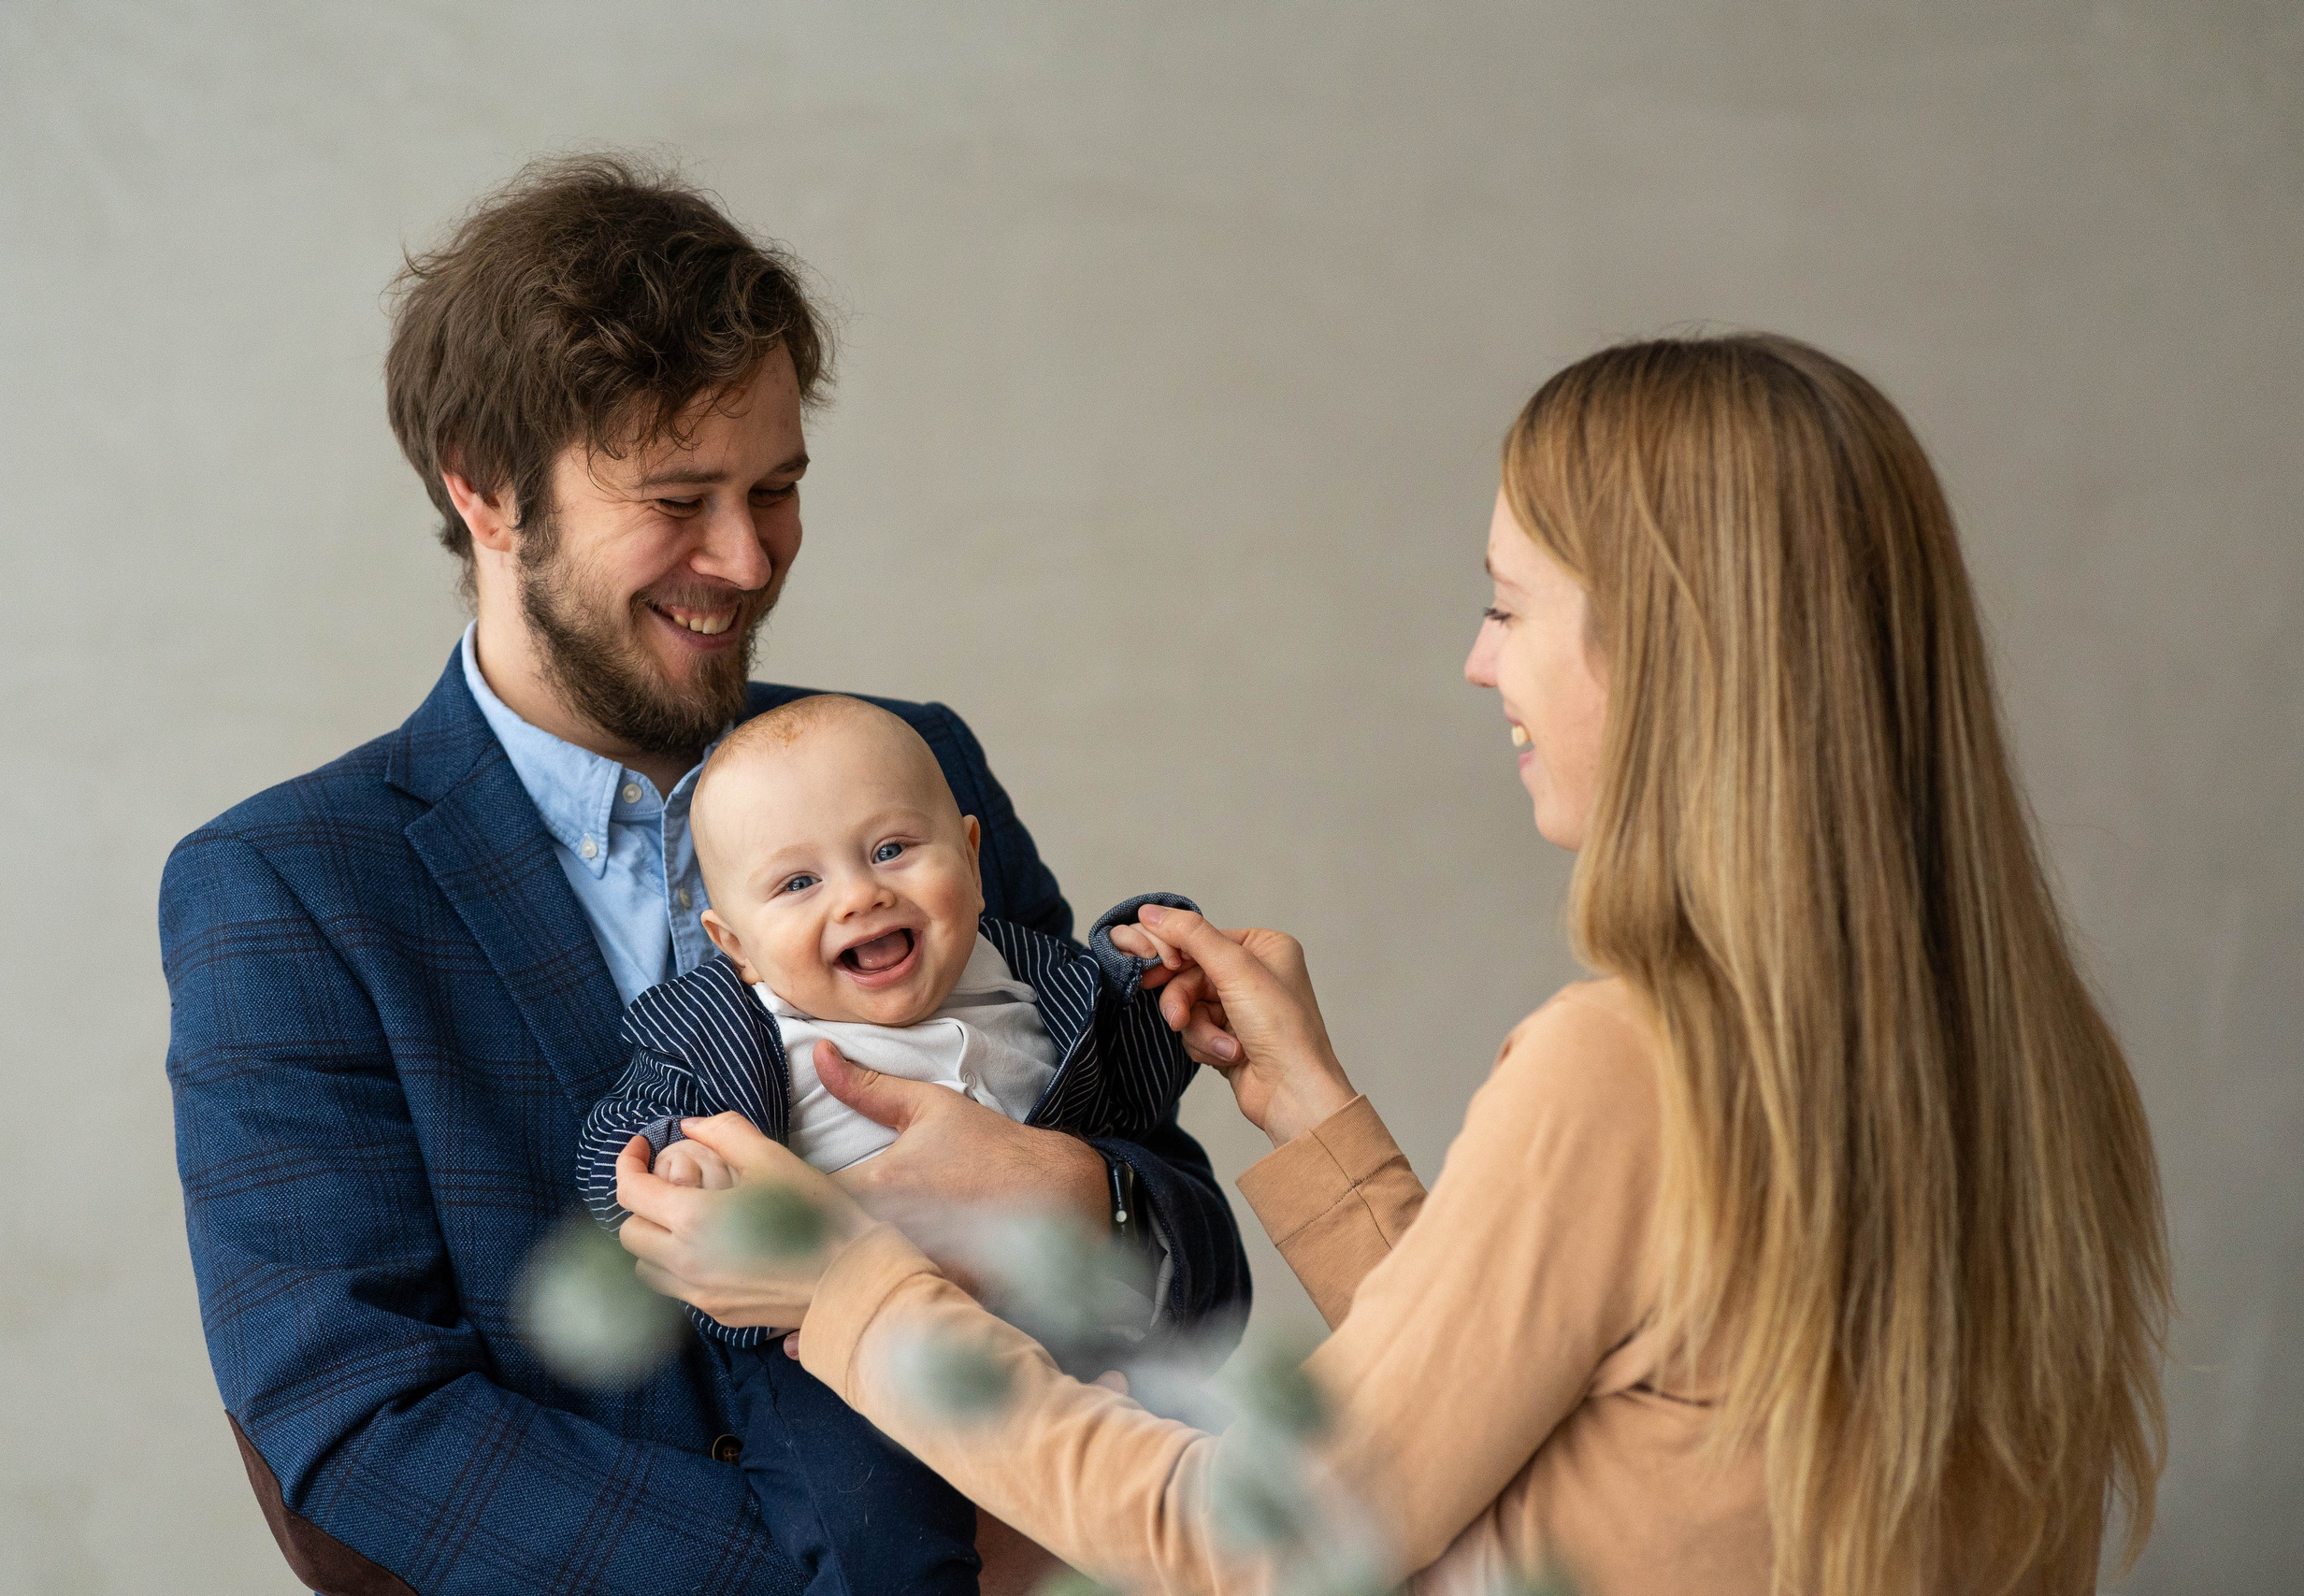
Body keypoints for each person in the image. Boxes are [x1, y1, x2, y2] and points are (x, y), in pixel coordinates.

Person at [613, 334, 2172, 1595]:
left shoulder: (1626, 1065)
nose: (1478, 659)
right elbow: (1585, 1436)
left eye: (1507, 605)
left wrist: (848, 1291)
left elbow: (1268, 1537)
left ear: (1665, 644)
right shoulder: (2030, 1063)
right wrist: (1321, 1126)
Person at [161, 154, 1247, 1596]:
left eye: (778, 487)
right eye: (678, 500)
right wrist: (853, 1574)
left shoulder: (914, 769)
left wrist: (1074, 1199)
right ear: (485, 493)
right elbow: (360, 1420)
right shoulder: (288, 890)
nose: (744, 557)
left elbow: (1193, 1261)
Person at [574, 694, 1202, 1594]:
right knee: (883, 1541)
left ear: (974, 860)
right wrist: (682, 1162)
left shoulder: (1039, 984)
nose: (861, 893)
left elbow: (1135, 1100)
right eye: (798, 883)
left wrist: (1152, 978)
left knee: (1164, 1505)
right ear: (734, 944)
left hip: (1055, 1337)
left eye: (891, 850)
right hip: (834, 1366)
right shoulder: (733, 1029)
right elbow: (617, 1141)